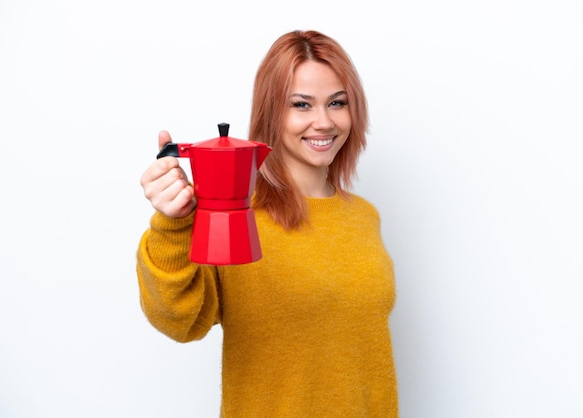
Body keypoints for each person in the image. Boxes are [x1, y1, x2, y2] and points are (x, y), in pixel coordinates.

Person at [137, 29, 398, 417]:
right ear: (272, 113)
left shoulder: (363, 216)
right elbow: (180, 321)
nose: (324, 122)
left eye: (337, 103)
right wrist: (171, 225)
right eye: (302, 105)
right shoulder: (231, 216)